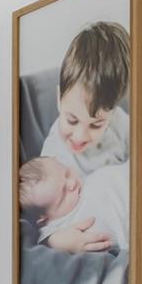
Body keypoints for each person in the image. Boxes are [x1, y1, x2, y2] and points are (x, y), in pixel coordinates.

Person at [42, 21, 131, 174]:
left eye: (96, 125)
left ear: (112, 112)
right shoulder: (52, 157)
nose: (79, 136)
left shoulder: (121, 124)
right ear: (59, 99)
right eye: (72, 120)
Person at [19, 155, 128, 257]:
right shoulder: (53, 228)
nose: (72, 183)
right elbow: (43, 242)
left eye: (67, 174)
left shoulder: (82, 182)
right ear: (43, 219)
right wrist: (58, 242)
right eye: (64, 193)